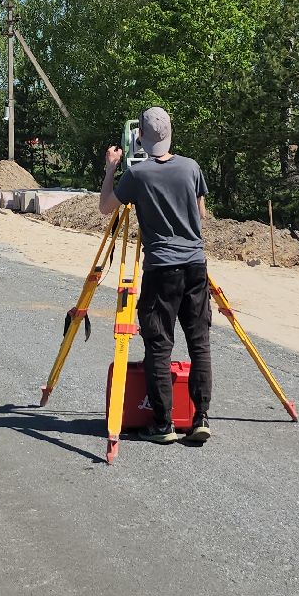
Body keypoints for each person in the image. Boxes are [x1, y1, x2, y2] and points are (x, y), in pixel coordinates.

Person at [99, 106, 212, 446]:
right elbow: (201, 212)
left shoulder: (139, 175)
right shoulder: (191, 167)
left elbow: (106, 206)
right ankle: (201, 417)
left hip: (161, 268)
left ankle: (163, 423)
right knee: (199, 343)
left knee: (159, 346)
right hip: (195, 265)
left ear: (141, 139)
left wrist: (111, 169)